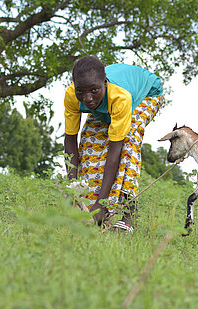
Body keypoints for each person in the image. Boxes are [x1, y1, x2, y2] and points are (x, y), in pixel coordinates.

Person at [64, 55, 164, 232]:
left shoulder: (120, 97)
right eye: (81, 92)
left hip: (146, 94)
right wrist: (74, 191)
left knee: (128, 141)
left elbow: (114, 151)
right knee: (89, 141)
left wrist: (102, 203)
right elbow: (71, 139)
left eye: (93, 90)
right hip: (106, 106)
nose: (87, 98)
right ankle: (92, 211)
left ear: (104, 82)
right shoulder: (72, 95)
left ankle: (128, 215)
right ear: (75, 86)